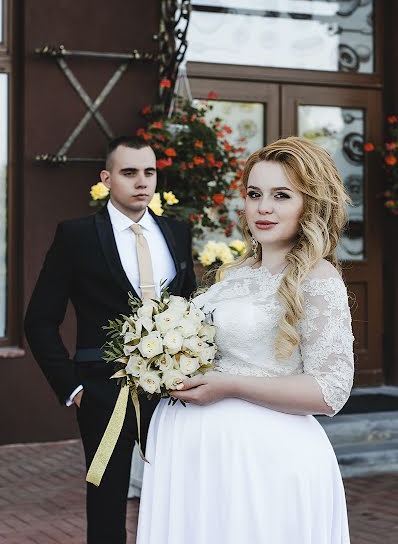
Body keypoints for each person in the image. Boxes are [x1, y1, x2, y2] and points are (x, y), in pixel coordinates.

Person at [136, 136, 354, 544]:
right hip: (198, 460)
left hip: (262, 462)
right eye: (255, 194)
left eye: (281, 195)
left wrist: (229, 385)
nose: (263, 208)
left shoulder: (318, 279)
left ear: (310, 203)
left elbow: (331, 390)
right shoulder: (234, 274)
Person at [24, 136, 196, 544]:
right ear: (106, 178)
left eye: (149, 172)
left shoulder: (177, 231)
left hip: (174, 389)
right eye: (129, 172)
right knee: (106, 499)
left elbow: (188, 305)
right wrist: (73, 388)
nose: (142, 182)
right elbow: (39, 320)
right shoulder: (77, 235)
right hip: (104, 389)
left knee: (177, 493)